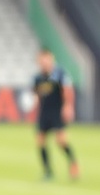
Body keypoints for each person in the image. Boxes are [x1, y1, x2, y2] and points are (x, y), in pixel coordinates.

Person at [33, 48, 79, 180]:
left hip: (57, 111)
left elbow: (68, 91)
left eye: (46, 59)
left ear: (51, 59)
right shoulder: (38, 78)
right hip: (44, 112)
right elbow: (37, 95)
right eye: (41, 59)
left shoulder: (60, 74)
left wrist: (68, 106)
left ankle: (73, 162)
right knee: (40, 141)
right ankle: (48, 171)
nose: (44, 62)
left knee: (61, 141)